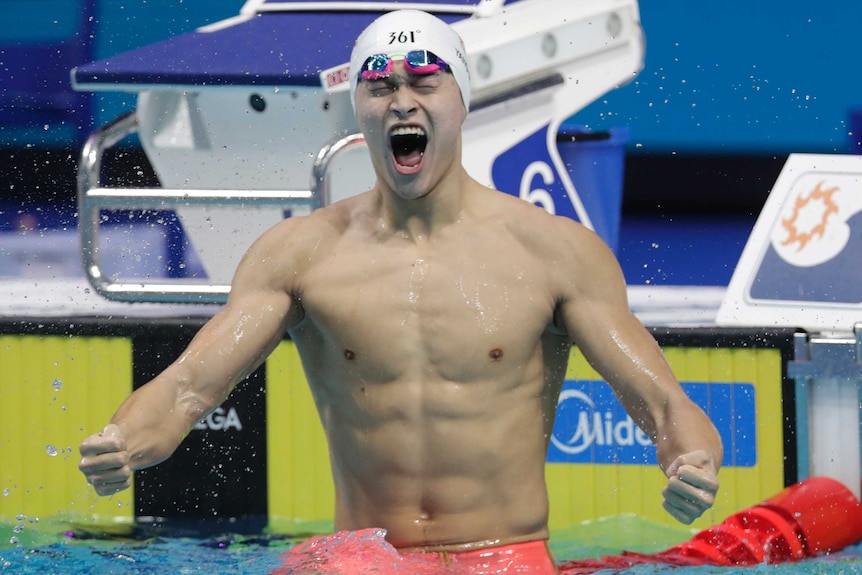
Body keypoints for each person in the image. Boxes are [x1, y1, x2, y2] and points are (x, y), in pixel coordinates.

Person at [79, 9, 722, 574]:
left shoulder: (553, 252)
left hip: (506, 555)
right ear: (356, 106)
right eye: (380, 85)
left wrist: (691, 459)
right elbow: (191, 385)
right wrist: (123, 441)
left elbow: (661, 402)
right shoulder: (302, 254)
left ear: (462, 98)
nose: (401, 101)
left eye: (423, 81)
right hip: (364, 560)